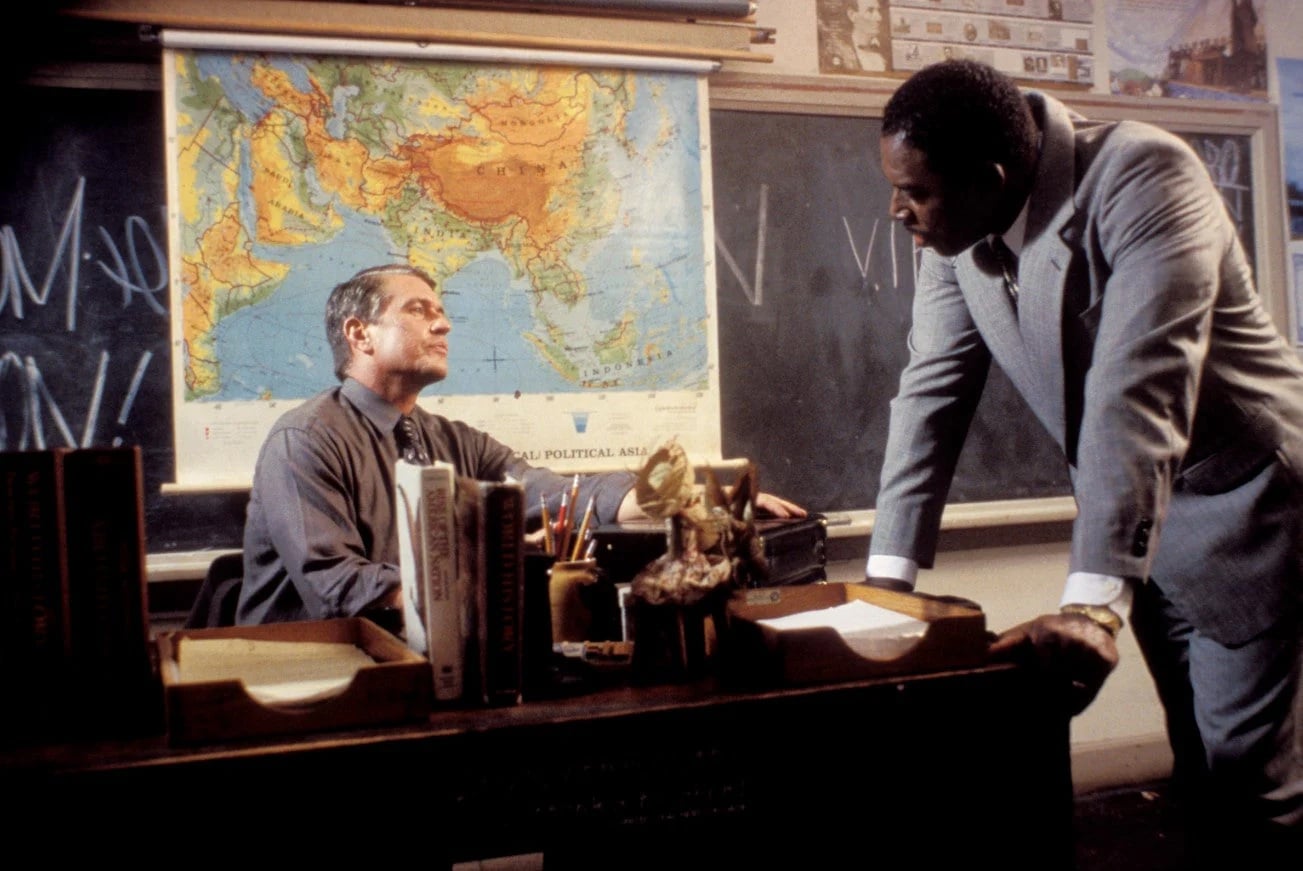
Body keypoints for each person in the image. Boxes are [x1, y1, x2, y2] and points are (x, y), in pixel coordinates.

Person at [867, 59, 1301, 856]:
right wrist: (881, 587)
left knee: (1250, 786)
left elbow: (1136, 387)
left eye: (915, 192)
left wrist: (1093, 604)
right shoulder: (954, 232)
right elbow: (929, 393)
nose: (897, 210)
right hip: (1146, 525)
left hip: (1247, 514)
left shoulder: (1144, 174)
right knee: (1198, 767)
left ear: (988, 180)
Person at [238, 263, 803, 629]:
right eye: (418, 310)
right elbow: (338, 589)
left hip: (416, 656)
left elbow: (558, 495)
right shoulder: (304, 441)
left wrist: (691, 501)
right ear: (359, 333)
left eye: (442, 312)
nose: (443, 326)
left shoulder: (451, 441)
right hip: (307, 677)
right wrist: (483, 569)